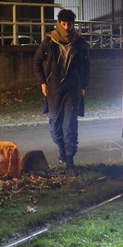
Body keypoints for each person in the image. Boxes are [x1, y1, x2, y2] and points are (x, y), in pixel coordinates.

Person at [34, 9, 91, 168]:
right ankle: (62, 151)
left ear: (73, 24)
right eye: (63, 24)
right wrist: (42, 82)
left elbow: (87, 66)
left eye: (69, 24)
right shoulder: (49, 41)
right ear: (59, 23)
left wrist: (84, 85)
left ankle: (70, 159)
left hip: (72, 89)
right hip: (53, 89)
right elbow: (37, 61)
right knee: (54, 125)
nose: (66, 27)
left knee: (69, 125)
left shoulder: (79, 43)